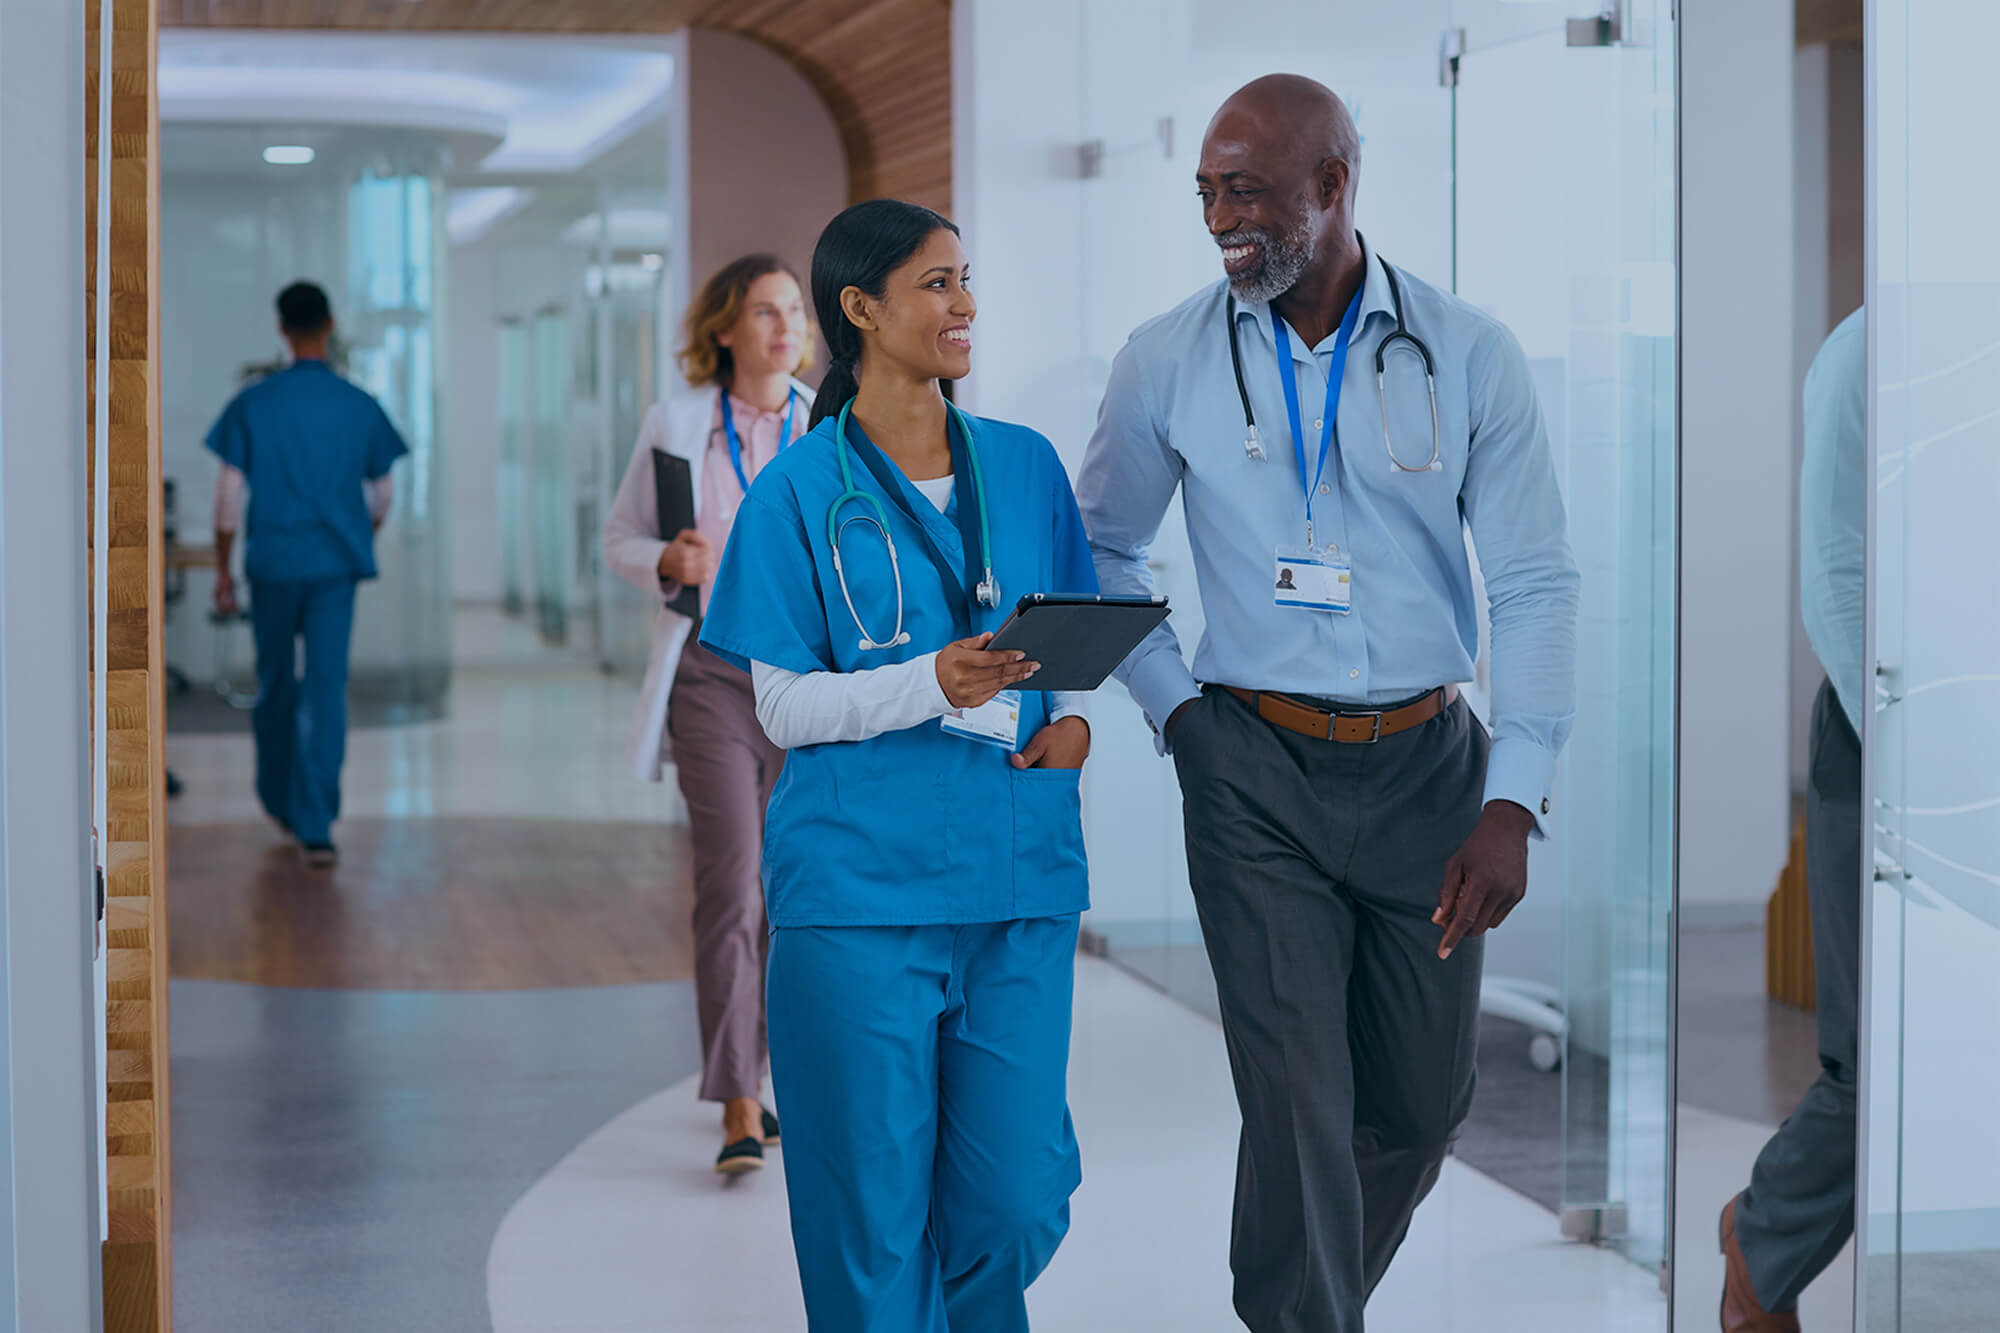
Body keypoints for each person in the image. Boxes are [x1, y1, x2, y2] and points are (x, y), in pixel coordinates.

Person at [1076, 75, 1580, 1331]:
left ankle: (1291, 1304)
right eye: (1203, 193)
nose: (1217, 219)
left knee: (1418, 1106)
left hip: (1429, 772)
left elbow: (1532, 582)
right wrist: (1178, 715)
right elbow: (1099, 551)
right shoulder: (1165, 359)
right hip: (1252, 767)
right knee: (1296, 1097)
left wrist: (1512, 794)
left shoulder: (1466, 353)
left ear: (1333, 186)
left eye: (1243, 191)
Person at [697, 199, 1096, 1333]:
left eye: (966, 279)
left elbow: (1056, 644)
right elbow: (780, 704)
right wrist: (933, 683)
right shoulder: (795, 490)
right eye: (935, 283)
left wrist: (1072, 727)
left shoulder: (1021, 467)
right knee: (867, 1223)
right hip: (859, 893)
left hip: (1015, 876)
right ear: (860, 308)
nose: (963, 303)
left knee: (1016, 1201)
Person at [602, 253, 816, 1174]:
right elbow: (618, 537)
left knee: (799, 889)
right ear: (725, 328)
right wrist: (665, 561)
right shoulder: (678, 424)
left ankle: (788, 1074)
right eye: (764, 312)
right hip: (711, 676)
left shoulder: (831, 420)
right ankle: (737, 1095)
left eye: (795, 311)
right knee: (733, 885)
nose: (784, 327)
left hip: (807, 684)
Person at [1717, 308, 1865, 1333]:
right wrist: (1919, 756)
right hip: (1885, 746)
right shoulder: (1862, 352)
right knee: (1877, 1065)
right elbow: (1837, 581)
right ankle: (1758, 1236)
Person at [208, 281, 405, 870]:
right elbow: (382, 493)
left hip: (271, 563)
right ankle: (317, 823)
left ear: (281, 328)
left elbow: (227, 496)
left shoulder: (254, 402)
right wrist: (356, 536)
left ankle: (279, 800)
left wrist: (222, 568)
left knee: (275, 683)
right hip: (333, 568)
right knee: (325, 688)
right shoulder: (358, 404)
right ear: (331, 324)